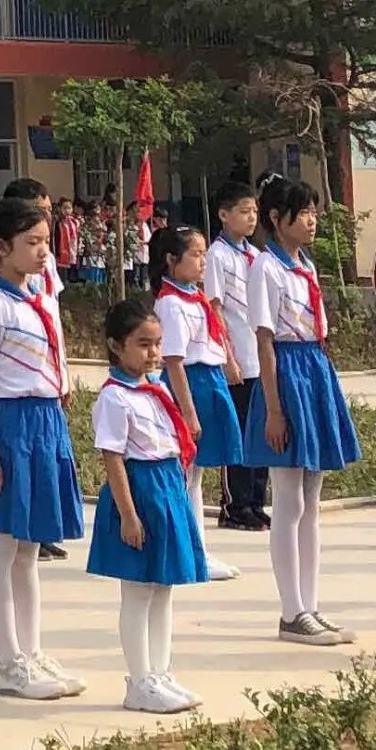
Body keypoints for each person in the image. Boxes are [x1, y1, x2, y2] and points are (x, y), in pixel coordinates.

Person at [0, 197, 87, 699]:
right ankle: (6, 659)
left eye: (45, 241)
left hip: (44, 421)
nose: (42, 252)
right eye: (32, 243)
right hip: (8, 425)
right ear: (0, 247)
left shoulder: (41, 298)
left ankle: (30, 652)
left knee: (29, 549)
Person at [248, 178, 360, 646]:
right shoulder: (265, 269)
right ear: (277, 219)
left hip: (314, 368)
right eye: (304, 213)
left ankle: (309, 605)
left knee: (311, 503)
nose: (313, 221)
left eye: (314, 211)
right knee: (289, 501)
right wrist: (274, 409)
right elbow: (265, 340)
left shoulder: (306, 266)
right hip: (287, 374)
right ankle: (291, 610)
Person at [86, 296, 207, 713]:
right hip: (139, 490)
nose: (153, 353)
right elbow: (113, 457)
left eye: (157, 344)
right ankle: (139, 679)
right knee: (137, 591)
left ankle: (160, 671)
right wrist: (128, 514)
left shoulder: (155, 389)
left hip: (167, 487)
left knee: (163, 587)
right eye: (143, 344)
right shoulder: (115, 398)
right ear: (116, 346)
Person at [148, 222, 241, 575]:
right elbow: (173, 361)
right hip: (191, 385)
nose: (203, 262)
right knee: (186, 473)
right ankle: (190, 551)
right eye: (195, 255)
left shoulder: (194, 297)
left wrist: (229, 362)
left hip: (209, 379)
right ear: (172, 260)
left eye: (204, 254)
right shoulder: (171, 304)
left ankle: (197, 549)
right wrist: (188, 412)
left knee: (196, 474)